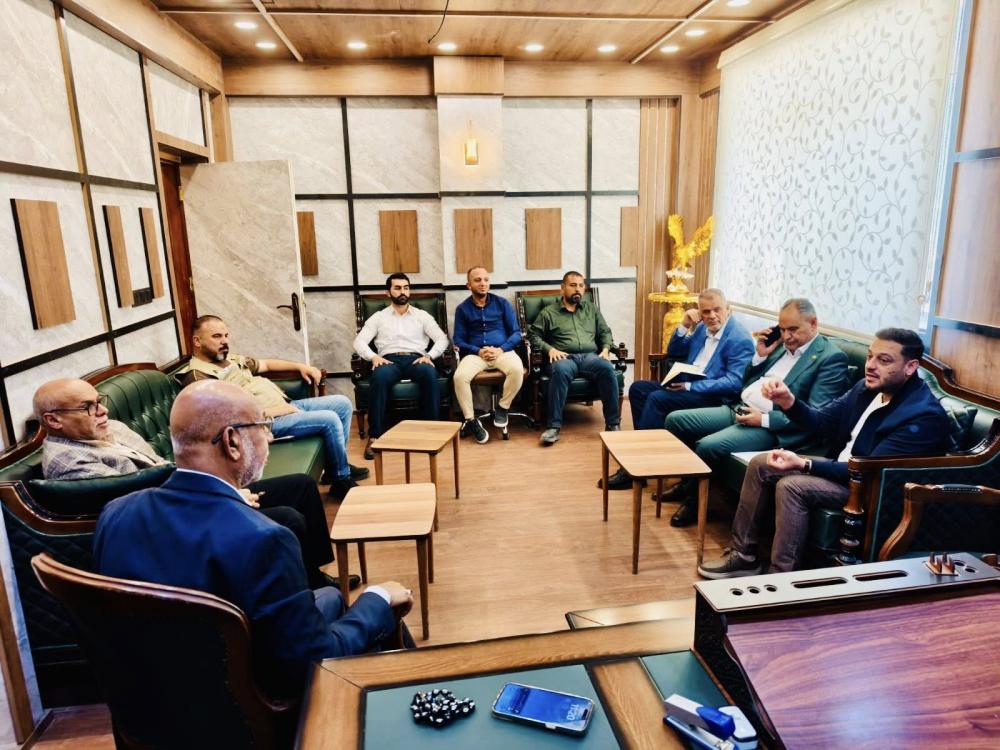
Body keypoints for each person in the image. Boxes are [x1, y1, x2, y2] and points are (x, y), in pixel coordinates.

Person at [93, 380, 413, 696]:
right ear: (232, 442)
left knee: (330, 597)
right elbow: (311, 664)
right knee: (382, 612)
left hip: (151, 702)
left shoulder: (116, 514)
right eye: (263, 426)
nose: (270, 437)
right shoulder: (267, 540)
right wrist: (377, 598)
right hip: (251, 708)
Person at [34, 377, 352, 591]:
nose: (102, 410)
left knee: (300, 486)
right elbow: (140, 504)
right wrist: (226, 495)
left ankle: (314, 576)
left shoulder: (111, 427)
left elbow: (160, 467)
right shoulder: (68, 462)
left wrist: (225, 490)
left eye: (99, 401)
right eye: (87, 407)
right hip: (179, 519)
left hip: (187, 491)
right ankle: (301, 592)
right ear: (53, 420)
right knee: (288, 519)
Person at [698, 328, 952, 578]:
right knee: (762, 463)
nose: (871, 366)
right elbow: (821, 421)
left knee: (792, 486)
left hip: (870, 492)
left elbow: (867, 471)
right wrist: (788, 402)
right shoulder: (866, 388)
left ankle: (781, 577)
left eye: (884, 360)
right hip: (843, 470)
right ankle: (743, 556)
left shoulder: (922, 416)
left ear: (910, 367)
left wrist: (805, 464)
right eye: (869, 356)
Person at [660, 298, 849, 527]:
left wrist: (765, 420)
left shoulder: (830, 358)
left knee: (708, 446)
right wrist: (760, 356)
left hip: (772, 427)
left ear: (813, 323)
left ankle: (694, 503)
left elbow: (816, 416)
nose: (787, 336)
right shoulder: (780, 346)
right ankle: (687, 484)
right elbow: (747, 380)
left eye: (793, 329)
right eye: (782, 329)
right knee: (676, 421)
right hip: (740, 408)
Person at [176, 315, 367, 500]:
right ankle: (341, 480)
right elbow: (226, 420)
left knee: (342, 404)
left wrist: (301, 367)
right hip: (263, 423)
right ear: (197, 341)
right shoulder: (198, 377)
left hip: (284, 405)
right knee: (329, 419)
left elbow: (266, 364)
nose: (224, 341)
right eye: (217, 336)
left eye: (226, 335)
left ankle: (336, 468)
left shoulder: (229, 359)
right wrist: (276, 412)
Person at [627, 288, 753, 433]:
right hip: (687, 384)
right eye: (706, 312)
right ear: (700, 314)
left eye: (717, 310)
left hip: (713, 396)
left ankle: (648, 444)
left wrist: (690, 386)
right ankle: (644, 438)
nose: (712, 316)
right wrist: (684, 325)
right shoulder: (702, 328)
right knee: (638, 389)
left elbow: (734, 382)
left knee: (657, 398)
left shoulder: (740, 338)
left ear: (728, 309)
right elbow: (675, 351)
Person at [352, 273, 449, 458]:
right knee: (379, 377)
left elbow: (442, 339)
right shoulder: (379, 317)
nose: (402, 291)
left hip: (416, 359)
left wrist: (429, 356)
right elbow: (359, 342)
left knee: (429, 373)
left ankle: (433, 433)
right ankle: (375, 437)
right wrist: (373, 357)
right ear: (388, 293)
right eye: (397, 288)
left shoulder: (422, 316)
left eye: (406, 287)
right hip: (389, 360)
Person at [528, 271, 620, 445]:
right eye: (573, 285)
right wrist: (549, 349)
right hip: (564, 358)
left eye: (581, 285)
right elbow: (533, 335)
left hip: (590, 357)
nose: (578, 289)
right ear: (562, 288)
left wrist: (606, 349)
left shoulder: (591, 309)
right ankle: (553, 428)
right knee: (561, 370)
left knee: (607, 368)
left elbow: (605, 332)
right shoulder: (548, 313)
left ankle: (613, 424)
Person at [451, 266, 524, 444]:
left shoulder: (502, 304)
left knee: (517, 369)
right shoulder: (463, 309)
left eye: (486, 279)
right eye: (477, 280)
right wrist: (478, 350)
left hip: (502, 351)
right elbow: (458, 339)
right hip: (476, 354)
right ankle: (471, 420)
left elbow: (516, 333)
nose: (483, 283)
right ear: (469, 285)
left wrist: (500, 349)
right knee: (459, 377)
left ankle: (503, 408)